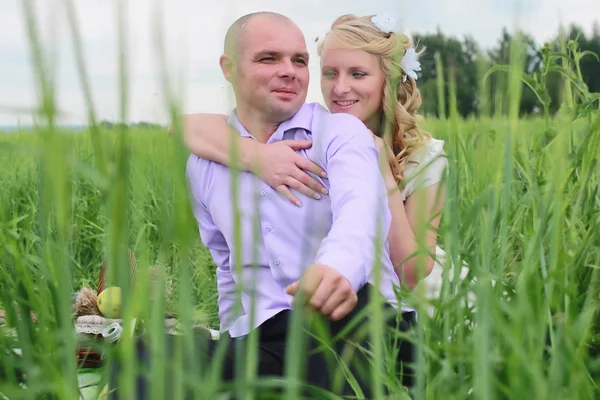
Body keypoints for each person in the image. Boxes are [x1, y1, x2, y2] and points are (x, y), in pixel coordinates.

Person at [110, 11, 414, 399]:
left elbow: (362, 210)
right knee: (148, 355)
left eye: (299, 60)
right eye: (269, 59)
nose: (289, 71)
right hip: (265, 337)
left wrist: (336, 267)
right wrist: (234, 334)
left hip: (351, 318)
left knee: (325, 353)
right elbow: (226, 263)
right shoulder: (203, 162)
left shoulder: (341, 132)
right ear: (229, 68)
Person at [177, 14, 469, 300]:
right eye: (330, 73)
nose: (340, 88)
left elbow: (410, 273)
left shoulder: (426, 157)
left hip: (422, 301)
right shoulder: (315, 132)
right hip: (339, 293)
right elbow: (185, 127)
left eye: (358, 74)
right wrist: (256, 155)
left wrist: (380, 170)